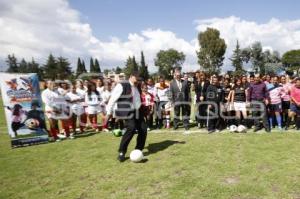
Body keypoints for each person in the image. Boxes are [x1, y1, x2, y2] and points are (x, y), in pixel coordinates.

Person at [106, 72, 147, 162]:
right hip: (127, 112)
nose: (138, 81)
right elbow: (112, 99)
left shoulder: (138, 86)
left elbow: (137, 98)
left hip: (137, 111)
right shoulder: (122, 85)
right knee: (131, 128)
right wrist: (109, 113)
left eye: (139, 80)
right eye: (137, 79)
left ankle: (138, 150)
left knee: (143, 129)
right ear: (131, 77)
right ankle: (122, 151)